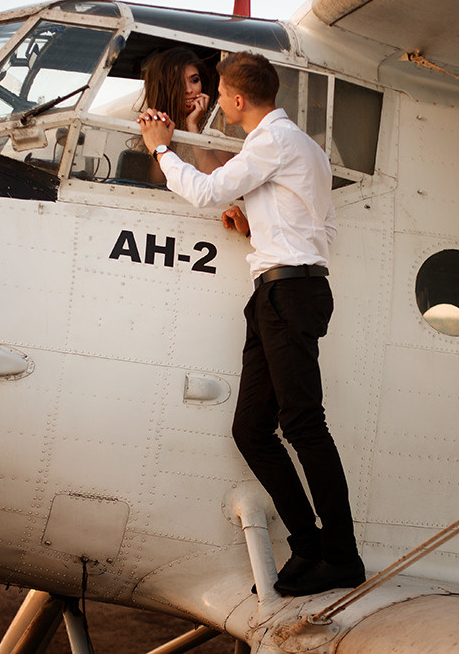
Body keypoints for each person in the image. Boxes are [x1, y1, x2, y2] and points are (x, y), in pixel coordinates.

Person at [138, 52, 365, 596]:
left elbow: (208, 190)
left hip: (289, 292)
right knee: (250, 429)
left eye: (220, 92)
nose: (216, 100)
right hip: (282, 289)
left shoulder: (272, 142)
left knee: (305, 425)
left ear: (238, 100)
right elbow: (321, 228)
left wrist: (161, 148)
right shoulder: (305, 150)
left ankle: (342, 556)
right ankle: (308, 546)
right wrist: (259, 227)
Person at [139, 48, 231, 176]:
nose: (188, 90)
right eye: (178, 82)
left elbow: (217, 181)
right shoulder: (154, 124)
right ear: (163, 88)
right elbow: (156, 182)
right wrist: (160, 141)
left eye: (194, 80)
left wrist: (193, 126)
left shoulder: (219, 123)